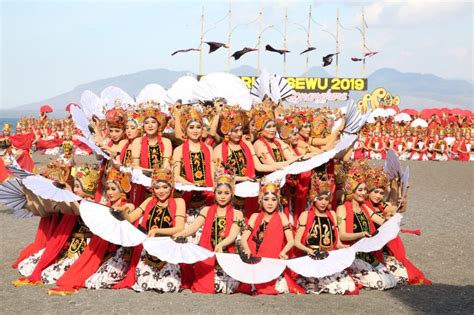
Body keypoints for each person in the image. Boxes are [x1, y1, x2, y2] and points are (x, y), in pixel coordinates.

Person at [114, 168, 185, 292]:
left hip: (168, 248)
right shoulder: (149, 201)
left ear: (171, 186)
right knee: (144, 284)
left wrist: (157, 231)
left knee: (170, 286)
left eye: (165, 187)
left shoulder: (179, 202)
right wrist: (122, 211)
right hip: (148, 250)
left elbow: (180, 228)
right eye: (157, 188)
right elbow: (131, 218)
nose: (161, 191)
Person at [173, 172, 243, 294]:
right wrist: (181, 234)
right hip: (208, 253)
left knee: (228, 288)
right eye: (219, 193)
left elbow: (233, 234)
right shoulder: (206, 210)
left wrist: (221, 245)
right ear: (214, 193)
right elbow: (194, 227)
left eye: (226, 193)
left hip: (227, 254)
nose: (223, 196)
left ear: (232, 194)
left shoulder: (238, 213)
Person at [294, 170, 357, 294]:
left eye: (326, 199)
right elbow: (297, 242)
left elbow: (337, 243)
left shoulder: (333, 215)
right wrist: (308, 250)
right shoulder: (305, 215)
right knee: (330, 286)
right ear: (313, 198)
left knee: (348, 286)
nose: (323, 202)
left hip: (329, 256)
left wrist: (346, 247)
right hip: (312, 257)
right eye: (320, 199)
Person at [336, 165, 397, 290]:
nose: (364, 193)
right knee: (379, 283)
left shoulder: (364, 207)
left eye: (365, 190)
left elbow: (381, 222)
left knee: (391, 281)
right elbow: (342, 235)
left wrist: (392, 218)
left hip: (366, 253)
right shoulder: (342, 208)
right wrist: (362, 234)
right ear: (351, 190)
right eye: (360, 190)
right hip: (351, 253)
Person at [239, 181, 304, 295]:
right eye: (266, 199)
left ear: (278, 201)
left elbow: (291, 241)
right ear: (260, 200)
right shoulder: (254, 217)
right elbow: (244, 239)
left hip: (273, 260)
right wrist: (247, 249)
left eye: (273, 200)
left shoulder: (282, 217)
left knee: (279, 286)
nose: (270, 203)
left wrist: (283, 252)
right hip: (255, 260)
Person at [84, 168, 135, 289]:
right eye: (107, 189)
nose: (110, 192)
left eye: (113, 189)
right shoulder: (105, 206)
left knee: (98, 282)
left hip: (120, 252)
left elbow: (129, 208)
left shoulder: (127, 205)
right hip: (104, 250)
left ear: (121, 190)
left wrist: (122, 210)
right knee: (89, 278)